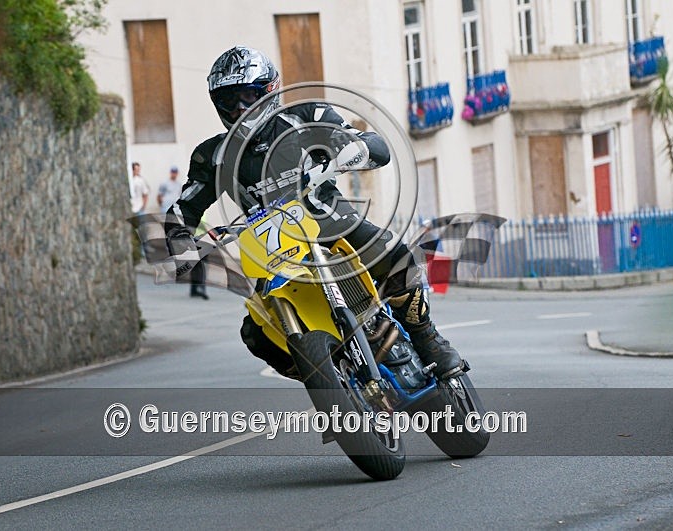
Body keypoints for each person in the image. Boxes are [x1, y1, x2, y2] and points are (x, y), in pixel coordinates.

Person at [164, 46, 463, 381]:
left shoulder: (307, 116)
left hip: (331, 222)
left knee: (394, 255)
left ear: (269, 89)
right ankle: (331, 379)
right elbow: (184, 207)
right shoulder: (212, 155)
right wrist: (179, 239)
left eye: (248, 95)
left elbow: (368, 143)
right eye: (229, 101)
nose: (240, 108)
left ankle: (428, 338)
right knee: (254, 335)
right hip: (271, 252)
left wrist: (357, 150)